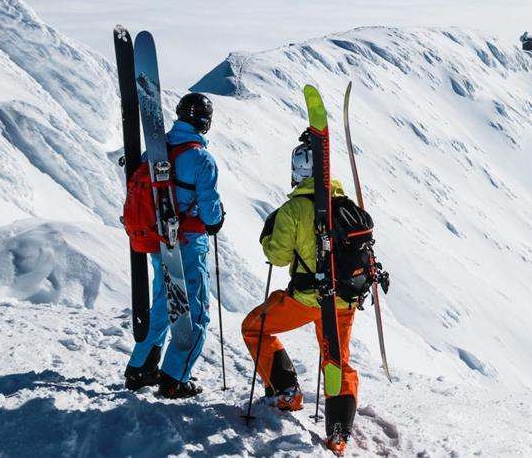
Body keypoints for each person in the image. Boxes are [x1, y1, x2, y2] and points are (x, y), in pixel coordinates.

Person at [241, 136, 388, 456]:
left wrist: (270, 235)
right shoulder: (347, 206)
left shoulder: (293, 209)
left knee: (254, 327)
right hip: (345, 301)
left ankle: (286, 392)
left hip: (307, 299)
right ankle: (339, 434)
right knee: (337, 359)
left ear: (298, 172)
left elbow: (277, 256)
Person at [123, 92, 223, 399]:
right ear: (205, 123)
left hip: (158, 243)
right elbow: (209, 212)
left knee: (166, 305)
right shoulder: (201, 158)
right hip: (189, 244)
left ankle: (141, 367)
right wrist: (217, 220)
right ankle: (175, 378)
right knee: (194, 312)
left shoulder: (154, 152)